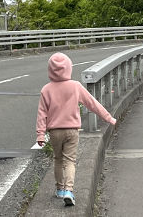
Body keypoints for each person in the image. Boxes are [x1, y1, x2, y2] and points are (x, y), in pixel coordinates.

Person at [36, 52, 117, 206]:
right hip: (72, 130)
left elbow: (41, 114)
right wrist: (108, 118)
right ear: (69, 68)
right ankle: (69, 190)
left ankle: (59, 189)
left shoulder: (46, 89)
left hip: (54, 131)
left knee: (58, 160)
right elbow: (93, 104)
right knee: (70, 161)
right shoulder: (75, 86)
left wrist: (40, 134)